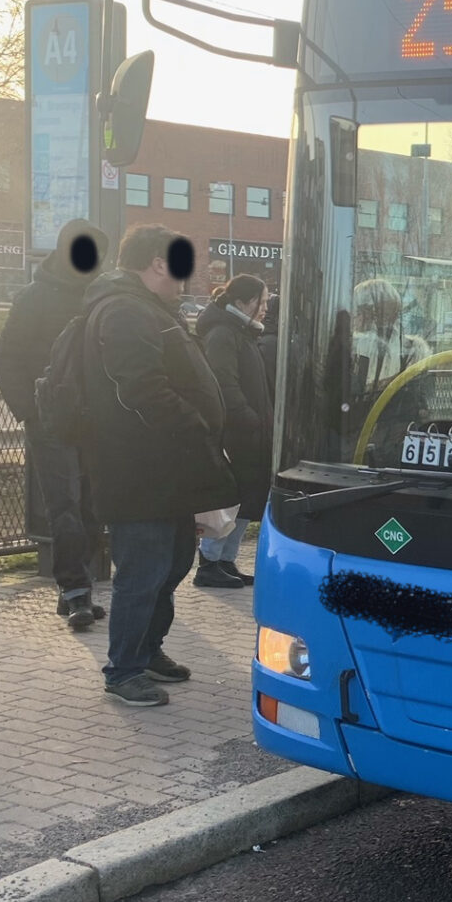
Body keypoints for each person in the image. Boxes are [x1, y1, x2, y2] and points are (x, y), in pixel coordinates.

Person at [82, 226, 237, 707]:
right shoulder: (125, 310)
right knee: (143, 570)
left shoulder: (146, 308)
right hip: (139, 470)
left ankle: (148, 651)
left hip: (166, 471)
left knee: (172, 563)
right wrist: (194, 427)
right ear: (158, 263)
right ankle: (123, 669)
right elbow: (142, 389)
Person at [0, 219, 110, 631]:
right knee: (64, 507)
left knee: (92, 507)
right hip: (50, 420)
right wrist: (29, 410)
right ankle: (74, 590)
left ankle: (82, 587)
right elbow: (6, 356)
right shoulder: (34, 297)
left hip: (94, 421)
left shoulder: (101, 296)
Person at [194, 275, 271, 588]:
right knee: (231, 500)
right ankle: (209, 562)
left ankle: (225, 560)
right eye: (262, 301)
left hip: (250, 432)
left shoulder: (242, 332)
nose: (266, 308)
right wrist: (249, 419)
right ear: (243, 302)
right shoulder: (223, 333)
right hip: (237, 433)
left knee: (247, 499)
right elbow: (224, 383)